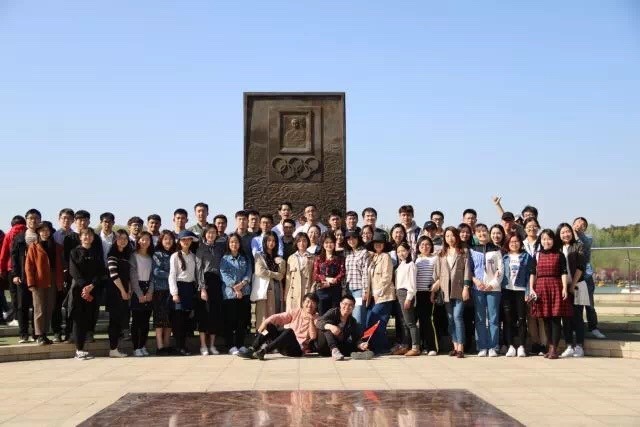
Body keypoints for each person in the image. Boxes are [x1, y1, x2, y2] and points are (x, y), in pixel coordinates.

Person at [238, 293, 319, 360]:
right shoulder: (297, 312)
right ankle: (252, 348)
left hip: (296, 350)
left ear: (316, 306)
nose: (309, 305)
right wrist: (266, 322)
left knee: (289, 331)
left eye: (312, 303)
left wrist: (311, 320)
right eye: (307, 302)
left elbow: (313, 336)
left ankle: (264, 351)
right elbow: (281, 317)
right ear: (303, 303)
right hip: (282, 345)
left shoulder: (317, 318)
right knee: (269, 326)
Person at [530, 229, 572, 360]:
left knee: (556, 318)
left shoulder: (559, 255)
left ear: (553, 240)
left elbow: (563, 272)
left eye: (549, 239)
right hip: (541, 287)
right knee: (546, 319)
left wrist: (564, 288)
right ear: (540, 241)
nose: (546, 241)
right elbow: (533, 273)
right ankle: (550, 346)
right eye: (543, 239)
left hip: (555, 286)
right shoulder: (537, 255)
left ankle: (554, 349)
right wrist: (531, 288)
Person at [431, 226, 472, 358]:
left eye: (452, 235)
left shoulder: (463, 252)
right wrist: (434, 288)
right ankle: (454, 346)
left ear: (457, 236)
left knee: (457, 317)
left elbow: (467, 271)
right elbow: (437, 273)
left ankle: (461, 347)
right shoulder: (441, 253)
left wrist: (466, 287)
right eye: (447, 236)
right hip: (445, 290)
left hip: (459, 288)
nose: (450, 238)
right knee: (450, 319)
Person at [24, 221, 63, 345]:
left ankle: (44, 334)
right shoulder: (33, 246)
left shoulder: (57, 247)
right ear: (38, 232)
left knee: (49, 307)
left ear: (51, 232)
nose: (45, 233)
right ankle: (39, 334)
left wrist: (60, 282)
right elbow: (29, 266)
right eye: (42, 230)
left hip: (53, 279)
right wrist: (31, 283)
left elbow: (60, 265)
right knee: (39, 308)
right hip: (39, 280)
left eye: (47, 230)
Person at [68, 229, 103, 360]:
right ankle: (79, 350)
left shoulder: (96, 253)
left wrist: (92, 285)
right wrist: (84, 286)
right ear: (80, 237)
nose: (87, 237)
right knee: (78, 320)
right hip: (78, 291)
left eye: (90, 235)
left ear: (93, 238)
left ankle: (83, 348)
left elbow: (100, 272)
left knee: (89, 318)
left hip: (93, 290)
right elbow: (73, 271)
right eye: (84, 235)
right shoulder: (74, 252)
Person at [470, 224, 504, 358]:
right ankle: (482, 346)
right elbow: (469, 269)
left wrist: (492, 284)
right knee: (480, 319)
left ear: (488, 233)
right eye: (478, 232)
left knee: (493, 318)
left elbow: (500, 269)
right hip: (478, 288)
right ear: (475, 234)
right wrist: (475, 281)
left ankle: (493, 346)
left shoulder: (496, 250)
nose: (482, 234)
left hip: (493, 288)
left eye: (484, 231)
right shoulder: (472, 250)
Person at [501, 233, 535, 358]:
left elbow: (531, 273)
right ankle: (510, 346)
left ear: (520, 243)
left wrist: (529, 291)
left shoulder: (526, 256)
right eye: (511, 242)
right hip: (507, 290)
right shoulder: (504, 257)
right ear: (507, 243)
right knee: (508, 319)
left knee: (521, 319)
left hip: (521, 291)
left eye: (516, 241)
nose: (514, 244)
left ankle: (521, 346)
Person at [10, 209, 41, 343]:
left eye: (36, 218)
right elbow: (14, 257)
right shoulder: (19, 237)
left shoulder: (43, 235)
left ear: (40, 220)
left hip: (39, 276)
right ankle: (23, 334)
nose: (33, 220)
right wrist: (15, 274)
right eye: (30, 218)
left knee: (37, 306)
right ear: (26, 220)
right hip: (23, 276)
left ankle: (36, 333)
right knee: (22, 306)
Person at [572, 217, 605, 339]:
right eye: (577, 223)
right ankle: (576, 328)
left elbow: (585, 242)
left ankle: (594, 328)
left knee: (590, 305)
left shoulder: (588, 238)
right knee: (577, 306)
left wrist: (579, 233)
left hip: (586, 275)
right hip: (573, 275)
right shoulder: (568, 238)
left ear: (585, 228)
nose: (579, 225)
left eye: (583, 224)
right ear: (572, 224)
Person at [557, 223, 586, 358]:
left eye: (567, 231)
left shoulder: (578, 246)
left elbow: (581, 267)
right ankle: (569, 345)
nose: (565, 234)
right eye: (562, 232)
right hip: (563, 287)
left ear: (572, 232)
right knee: (565, 317)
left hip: (578, 285)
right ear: (559, 235)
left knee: (578, 317)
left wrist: (573, 285)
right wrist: (565, 287)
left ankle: (579, 346)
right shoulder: (558, 248)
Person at [220, 233, 252, 355]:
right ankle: (231, 345)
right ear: (228, 244)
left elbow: (249, 272)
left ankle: (241, 344)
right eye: (232, 242)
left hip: (245, 292)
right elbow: (224, 275)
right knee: (230, 320)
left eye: (236, 242)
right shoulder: (224, 259)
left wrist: (242, 284)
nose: (234, 244)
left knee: (242, 320)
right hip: (230, 294)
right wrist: (235, 288)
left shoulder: (245, 257)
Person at [195, 225, 225, 356]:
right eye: (209, 233)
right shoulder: (201, 249)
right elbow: (199, 269)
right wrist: (202, 288)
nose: (211, 235)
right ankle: (203, 345)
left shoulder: (219, 248)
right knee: (203, 314)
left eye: (213, 232)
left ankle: (212, 345)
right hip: (204, 282)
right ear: (204, 234)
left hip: (217, 282)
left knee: (214, 314)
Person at [364, 231, 395, 354]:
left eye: (380, 243)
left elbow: (387, 277)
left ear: (384, 245)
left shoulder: (386, 257)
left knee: (378, 321)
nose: (378, 245)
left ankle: (382, 347)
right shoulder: (374, 257)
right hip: (373, 296)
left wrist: (378, 292)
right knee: (371, 320)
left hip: (384, 295)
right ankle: (374, 346)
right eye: (376, 243)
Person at [168, 230, 199, 356]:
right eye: (183, 240)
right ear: (179, 242)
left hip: (190, 288)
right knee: (178, 320)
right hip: (179, 287)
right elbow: (172, 275)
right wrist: (174, 293)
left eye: (188, 239)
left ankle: (184, 345)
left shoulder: (193, 256)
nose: (186, 242)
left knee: (187, 319)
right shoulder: (175, 256)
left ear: (191, 241)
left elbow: (195, 275)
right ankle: (179, 346)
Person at [315, 294, 370, 360]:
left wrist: (360, 344)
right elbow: (318, 322)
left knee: (351, 345)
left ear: (353, 307)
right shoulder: (333, 312)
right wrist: (330, 326)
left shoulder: (352, 321)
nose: (347, 307)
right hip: (323, 346)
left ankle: (356, 354)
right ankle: (334, 349)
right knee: (326, 327)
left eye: (350, 305)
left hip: (338, 347)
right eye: (345, 304)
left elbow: (356, 338)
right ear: (340, 304)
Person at [106, 230, 132, 358]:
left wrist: (129, 289)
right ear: (115, 240)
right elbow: (114, 276)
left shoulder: (126, 256)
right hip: (115, 292)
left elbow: (128, 276)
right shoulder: (112, 256)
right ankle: (113, 349)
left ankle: (115, 348)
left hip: (125, 292)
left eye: (125, 238)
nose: (123, 240)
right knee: (114, 321)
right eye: (120, 238)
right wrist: (122, 290)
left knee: (120, 320)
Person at [522, 217, 546, 355]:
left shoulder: (543, 241)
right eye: (529, 226)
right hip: (525, 283)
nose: (532, 228)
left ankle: (544, 344)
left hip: (541, 281)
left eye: (534, 226)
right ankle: (535, 343)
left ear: (538, 227)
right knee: (530, 315)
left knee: (542, 314)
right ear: (524, 229)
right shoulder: (521, 244)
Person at [253, 231, 286, 327]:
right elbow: (259, 271)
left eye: (273, 241)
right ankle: (263, 334)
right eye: (269, 240)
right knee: (264, 313)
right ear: (264, 241)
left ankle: (274, 334)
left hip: (276, 287)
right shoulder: (259, 255)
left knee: (276, 311)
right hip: (264, 288)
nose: (271, 243)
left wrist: (282, 262)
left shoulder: (278, 257)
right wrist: (275, 274)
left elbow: (282, 274)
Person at [393, 242, 420, 356]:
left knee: (410, 322)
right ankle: (406, 346)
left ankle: (415, 347)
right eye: (398, 251)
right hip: (399, 293)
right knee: (404, 322)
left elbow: (412, 284)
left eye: (403, 251)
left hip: (406, 294)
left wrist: (409, 298)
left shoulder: (411, 265)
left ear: (408, 251)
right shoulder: (401, 265)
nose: (401, 253)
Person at [130, 231, 154, 357]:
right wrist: (139, 294)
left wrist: (150, 292)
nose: (145, 242)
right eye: (142, 239)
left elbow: (152, 276)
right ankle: (136, 347)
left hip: (148, 288)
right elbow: (133, 277)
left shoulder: (151, 257)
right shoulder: (133, 256)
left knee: (146, 321)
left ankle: (142, 345)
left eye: (147, 239)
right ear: (138, 241)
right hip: (137, 289)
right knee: (136, 321)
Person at [152, 230, 175, 355]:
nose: (168, 241)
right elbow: (156, 272)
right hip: (160, 290)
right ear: (161, 240)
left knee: (169, 320)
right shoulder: (157, 254)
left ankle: (167, 345)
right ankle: (160, 347)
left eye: (170, 239)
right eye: (165, 239)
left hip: (172, 290)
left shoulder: (175, 253)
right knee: (160, 320)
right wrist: (172, 275)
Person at [414, 236, 438, 355]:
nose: (425, 247)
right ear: (418, 247)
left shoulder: (435, 258)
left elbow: (438, 276)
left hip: (428, 293)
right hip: (416, 293)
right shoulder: (416, 259)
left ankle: (432, 347)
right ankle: (423, 346)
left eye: (427, 244)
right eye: (422, 245)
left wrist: (433, 292)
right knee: (419, 320)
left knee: (427, 320)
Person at [312, 232, 345, 315]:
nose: (329, 245)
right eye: (326, 242)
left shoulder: (340, 258)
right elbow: (315, 275)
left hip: (335, 290)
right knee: (322, 315)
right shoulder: (318, 258)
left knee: (334, 314)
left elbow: (342, 272)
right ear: (323, 244)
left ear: (334, 243)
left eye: (331, 242)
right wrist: (326, 279)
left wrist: (333, 281)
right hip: (322, 291)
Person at [344, 230, 370, 328]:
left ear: (358, 239)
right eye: (349, 238)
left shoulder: (364, 252)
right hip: (348, 289)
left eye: (353, 238)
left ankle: (360, 336)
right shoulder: (348, 254)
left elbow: (365, 272)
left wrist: (365, 290)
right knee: (348, 315)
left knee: (358, 314)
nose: (351, 240)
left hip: (359, 290)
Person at [284, 233, 315, 312]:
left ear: (307, 242)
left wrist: (312, 292)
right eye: (299, 241)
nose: (302, 243)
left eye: (304, 241)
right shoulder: (291, 258)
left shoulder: (312, 257)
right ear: (296, 243)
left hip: (307, 291)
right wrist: (286, 295)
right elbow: (288, 278)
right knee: (292, 316)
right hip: (293, 293)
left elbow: (314, 277)